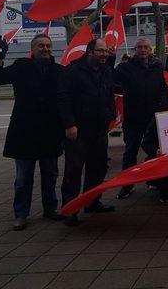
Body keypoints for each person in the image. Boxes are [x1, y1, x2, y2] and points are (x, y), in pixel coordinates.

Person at [0, 34, 65, 231]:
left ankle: (50, 208)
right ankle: (21, 214)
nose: (45, 49)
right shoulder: (21, 66)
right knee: (23, 178)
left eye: (48, 46)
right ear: (32, 49)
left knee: (50, 174)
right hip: (24, 132)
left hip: (50, 132)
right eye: (40, 46)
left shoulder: (59, 71)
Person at [58, 38, 116, 226]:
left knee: (98, 167)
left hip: (99, 128)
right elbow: (64, 99)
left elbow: (109, 95)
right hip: (79, 130)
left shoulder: (106, 70)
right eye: (101, 51)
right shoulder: (73, 71)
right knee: (74, 169)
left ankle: (92, 201)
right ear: (90, 51)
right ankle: (70, 209)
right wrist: (69, 124)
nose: (104, 55)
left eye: (106, 51)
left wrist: (111, 115)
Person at [114, 39, 168, 200]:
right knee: (130, 153)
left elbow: (163, 87)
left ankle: (154, 180)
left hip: (153, 118)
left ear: (150, 49)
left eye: (146, 47)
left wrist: (164, 103)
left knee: (154, 151)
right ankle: (127, 184)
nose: (143, 50)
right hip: (133, 117)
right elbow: (110, 80)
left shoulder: (157, 66)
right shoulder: (124, 68)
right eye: (140, 47)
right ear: (134, 49)